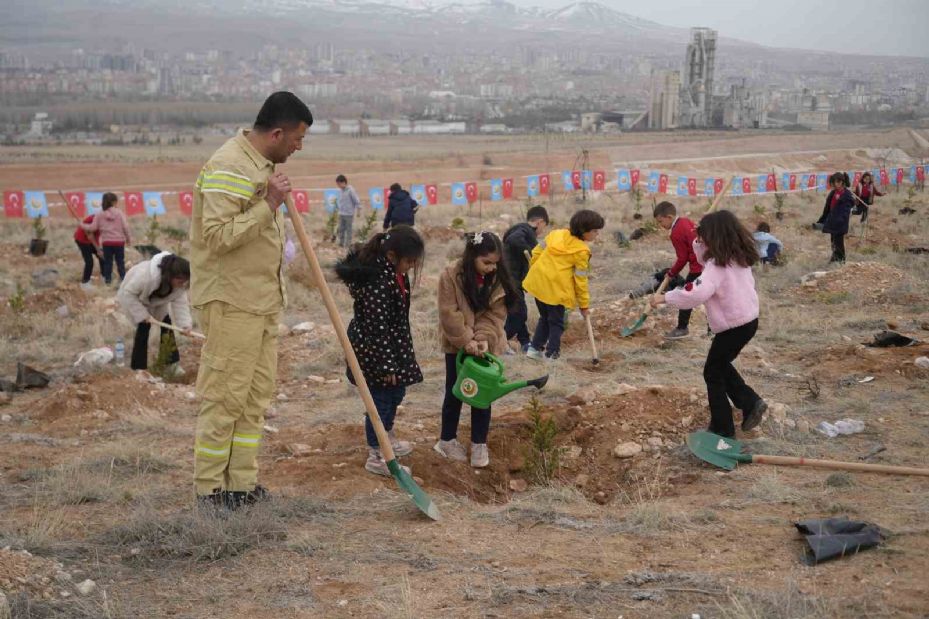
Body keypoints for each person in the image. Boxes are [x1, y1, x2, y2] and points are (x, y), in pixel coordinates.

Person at [189, 91, 312, 510]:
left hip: (261, 301)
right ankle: (210, 492)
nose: (298, 147)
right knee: (225, 396)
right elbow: (218, 237)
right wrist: (270, 203)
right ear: (277, 133)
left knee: (255, 396)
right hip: (231, 301)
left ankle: (240, 484)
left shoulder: (262, 167)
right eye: (296, 138)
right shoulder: (229, 166)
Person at [651, 210, 767, 438]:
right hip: (748, 321)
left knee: (712, 373)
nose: (699, 239)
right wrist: (698, 241)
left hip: (734, 326)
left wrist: (664, 297)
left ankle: (722, 428)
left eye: (703, 235)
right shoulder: (737, 256)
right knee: (721, 365)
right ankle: (750, 402)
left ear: (714, 236)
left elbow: (696, 293)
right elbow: (703, 258)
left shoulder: (716, 267)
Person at [335, 226, 425, 477]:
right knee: (381, 400)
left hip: (391, 344)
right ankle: (377, 453)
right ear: (393, 255)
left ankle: (387, 434)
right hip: (373, 349)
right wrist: (386, 366)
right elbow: (376, 327)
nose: (411, 266)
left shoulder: (394, 272)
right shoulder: (376, 279)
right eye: (409, 261)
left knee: (396, 392)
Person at [435, 231, 519, 468]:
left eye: (495, 263)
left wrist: (482, 339)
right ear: (472, 257)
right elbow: (448, 313)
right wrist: (465, 340)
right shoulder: (451, 276)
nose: (491, 268)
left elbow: (495, 314)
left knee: (482, 394)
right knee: (455, 390)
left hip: (486, 344)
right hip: (456, 345)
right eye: (486, 263)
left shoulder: (498, 279)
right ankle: (447, 440)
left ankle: (479, 443)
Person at [522, 209, 604, 361]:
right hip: (556, 291)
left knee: (545, 318)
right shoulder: (582, 251)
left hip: (538, 284)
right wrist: (584, 305)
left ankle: (534, 350)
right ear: (584, 231)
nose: (596, 234)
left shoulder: (556, 234)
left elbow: (536, 251)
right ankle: (552, 354)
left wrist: (536, 270)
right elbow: (580, 280)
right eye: (594, 231)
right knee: (557, 323)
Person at [117, 252, 193, 376]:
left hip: (157, 302)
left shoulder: (179, 285)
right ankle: (138, 368)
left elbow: (180, 304)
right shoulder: (144, 277)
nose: (183, 283)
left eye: (185, 280)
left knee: (167, 326)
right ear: (170, 276)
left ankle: (171, 364)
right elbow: (128, 294)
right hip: (135, 298)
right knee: (143, 327)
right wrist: (142, 315)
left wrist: (184, 325)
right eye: (180, 280)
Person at [502, 205, 549, 354]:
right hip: (510, 280)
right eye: (544, 227)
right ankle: (498, 342)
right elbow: (513, 239)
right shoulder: (523, 230)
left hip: (513, 280)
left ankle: (525, 343)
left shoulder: (522, 231)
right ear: (540, 222)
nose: (542, 231)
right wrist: (533, 252)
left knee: (517, 312)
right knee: (519, 313)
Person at [653, 201, 701, 339]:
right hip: (707, 264)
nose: (661, 226)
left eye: (661, 221)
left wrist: (671, 273)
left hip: (698, 267)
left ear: (669, 217)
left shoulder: (675, 233)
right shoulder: (685, 221)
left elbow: (682, 258)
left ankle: (682, 328)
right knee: (711, 297)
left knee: (686, 296)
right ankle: (712, 330)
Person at [81, 192, 130, 285]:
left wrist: (82, 225)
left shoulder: (99, 214)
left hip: (107, 243)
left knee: (108, 263)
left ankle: (108, 282)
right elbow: (125, 227)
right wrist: (128, 239)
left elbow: (93, 228)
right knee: (120, 262)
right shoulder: (119, 213)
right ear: (114, 202)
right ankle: (123, 280)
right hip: (119, 242)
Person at [817, 172, 855, 263]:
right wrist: (822, 220)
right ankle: (834, 258)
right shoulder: (833, 192)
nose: (836, 184)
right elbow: (827, 208)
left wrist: (840, 220)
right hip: (832, 221)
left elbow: (846, 211)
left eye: (838, 181)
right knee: (833, 241)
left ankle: (841, 261)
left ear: (842, 182)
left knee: (839, 243)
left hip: (840, 223)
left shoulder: (846, 195)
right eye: (834, 182)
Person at [74, 212, 102, 290]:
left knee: (102, 257)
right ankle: (85, 282)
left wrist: (99, 249)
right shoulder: (95, 219)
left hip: (91, 239)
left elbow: (98, 235)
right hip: (82, 239)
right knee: (89, 261)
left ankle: (105, 277)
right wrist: (98, 249)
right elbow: (90, 236)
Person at [335, 174, 362, 248]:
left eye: (339, 184)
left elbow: (356, 201)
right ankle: (341, 243)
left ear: (343, 182)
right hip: (341, 213)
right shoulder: (340, 191)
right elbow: (339, 201)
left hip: (349, 214)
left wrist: (358, 210)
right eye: (337, 184)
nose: (338, 185)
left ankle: (348, 245)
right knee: (341, 229)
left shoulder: (351, 191)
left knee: (348, 230)